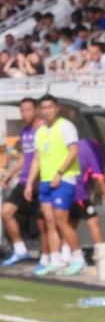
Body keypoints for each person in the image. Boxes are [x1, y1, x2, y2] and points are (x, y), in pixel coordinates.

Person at [24, 95, 85, 277]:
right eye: (43, 107)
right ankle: (55, 260)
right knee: (49, 223)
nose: (46, 110)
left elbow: (73, 151)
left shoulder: (65, 126)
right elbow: (37, 158)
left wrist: (59, 173)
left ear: (56, 108)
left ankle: (78, 258)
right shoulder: (41, 131)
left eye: (49, 107)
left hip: (64, 179)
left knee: (61, 220)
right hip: (45, 181)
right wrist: (29, 183)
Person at [0, 98, 47, 268]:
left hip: (39, 182)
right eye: (22, 111)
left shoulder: (43, 130)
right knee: (6, 211)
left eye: (28, 110)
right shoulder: (25, 131)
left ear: (36, 110)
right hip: (24, 180)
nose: (25, 114)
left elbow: (40, 158)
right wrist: (9, 175)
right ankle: (20, 250)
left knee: (43, 221)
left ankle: (48, 257)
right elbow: (23, 159)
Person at [68, 138, 105, 246]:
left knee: (70, 224)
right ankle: (101, 252)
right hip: (79, 194)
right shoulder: (93, 150)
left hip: (66, 190)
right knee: (93, 221)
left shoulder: (80, 144)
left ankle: (65, 254)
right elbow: (100, 180)